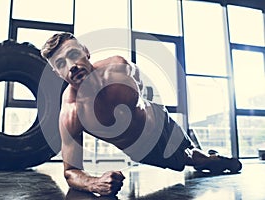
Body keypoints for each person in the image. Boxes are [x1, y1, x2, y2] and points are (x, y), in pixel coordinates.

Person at [41, 32, 242, 196]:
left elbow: (140, 85)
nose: (71, 66)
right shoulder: (72, 112)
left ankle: (209, 157)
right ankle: (208, 158)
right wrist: (95, 183)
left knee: (191, 153)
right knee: (190, 158)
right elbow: (70, 172)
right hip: (146, 149)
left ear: (85, 52)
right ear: (57, 73)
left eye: (74, 55)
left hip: (160, 118)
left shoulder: (118, 67)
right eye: (60, 64)